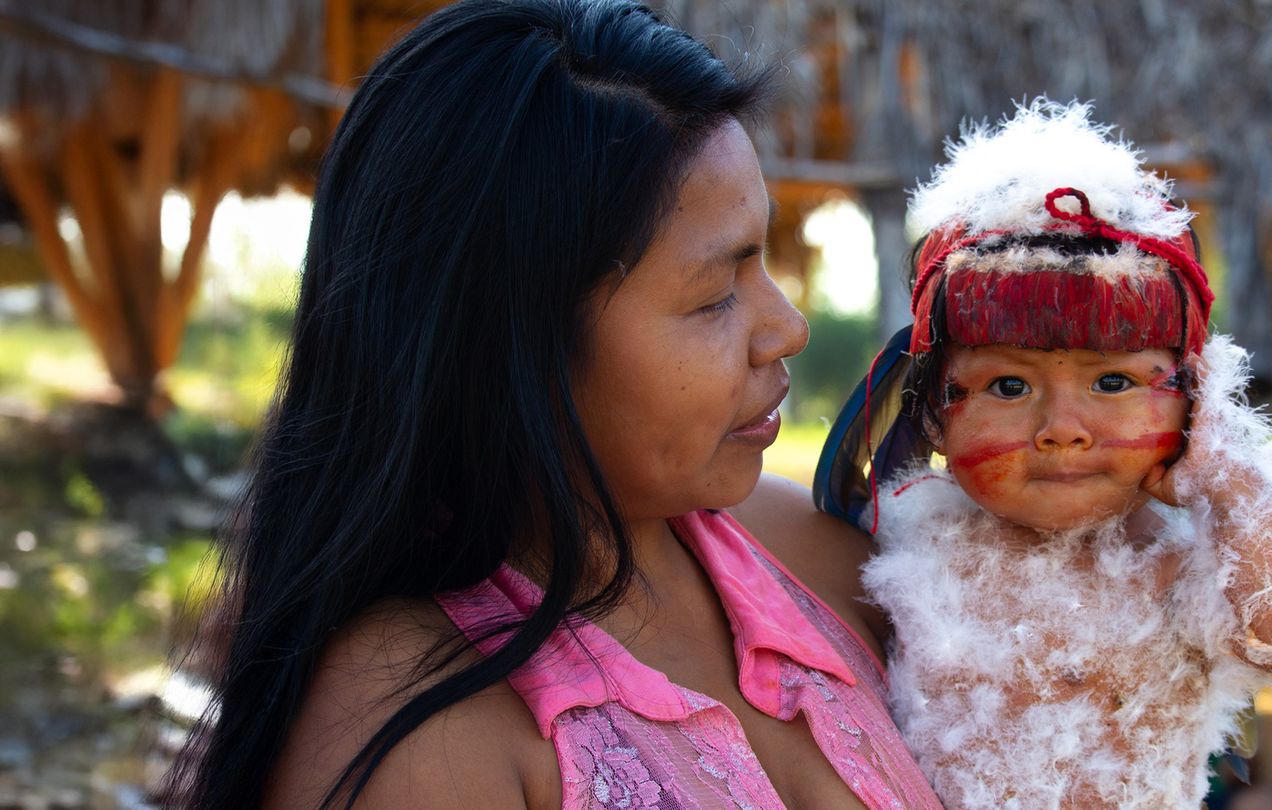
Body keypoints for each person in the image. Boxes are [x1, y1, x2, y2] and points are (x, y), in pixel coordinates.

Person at [164, 1, 943, 808]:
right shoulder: (423, 733)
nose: (788, 327)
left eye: (765, 261)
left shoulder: (810, 559)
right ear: (511, 349)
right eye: (716, 293)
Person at [815, 101, 1272, 808]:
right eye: (1008, 385)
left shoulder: (1178, 560)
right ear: (933, 416)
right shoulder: (904, 552)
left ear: (1195, 403)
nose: (1063, 428)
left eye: (1113, 382)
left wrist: (1230, 482)